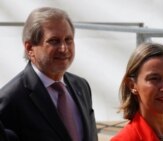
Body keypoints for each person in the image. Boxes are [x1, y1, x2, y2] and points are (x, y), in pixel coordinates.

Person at [0, 7, 98, 141]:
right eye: (54, 41)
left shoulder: (81, 86)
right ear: (29, 48)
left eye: (68, 40)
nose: (64, 48)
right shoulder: (11, 98)